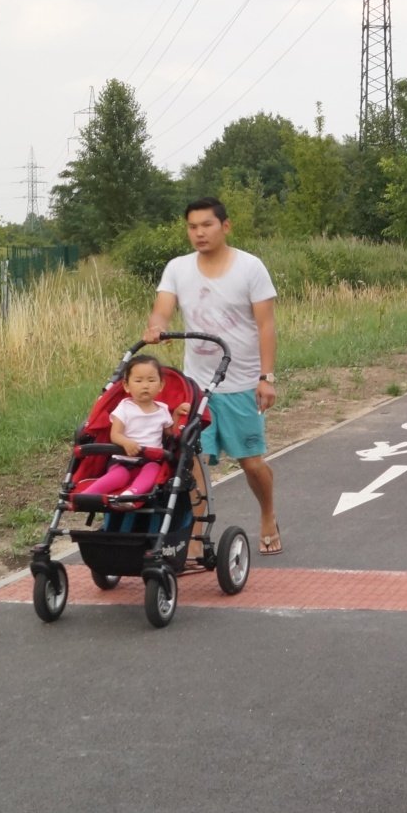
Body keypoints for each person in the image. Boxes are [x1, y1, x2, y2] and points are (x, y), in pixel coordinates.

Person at [146, 198, 282, 555]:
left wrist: (265, 377)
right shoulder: (178, 268)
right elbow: (163, 308)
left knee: (251, 463)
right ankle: (196, 534)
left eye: (206, 225)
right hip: (196, 385)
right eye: (192, 227)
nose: (199, 233)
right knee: (192, 463)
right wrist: (157, 327)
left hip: (240, 383)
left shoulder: (250, 268)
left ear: (226, 226)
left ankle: (268, 514)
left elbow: (266, 326)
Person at [96, 355, 186, 506]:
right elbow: (115, 434)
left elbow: (171, 433)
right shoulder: (124, 407)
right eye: (138, 381)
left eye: (151, 380)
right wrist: (126, 443)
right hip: (123, 460)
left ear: (161, 385)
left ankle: (130, 495)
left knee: (152, 472)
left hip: (150, 460)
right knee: (118, 476)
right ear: (126, 386)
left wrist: (177, 413)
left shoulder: (162, 410)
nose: (145, 386)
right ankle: (89, 495)